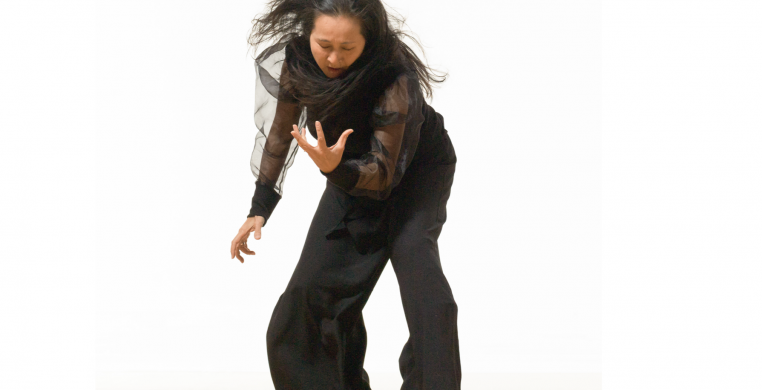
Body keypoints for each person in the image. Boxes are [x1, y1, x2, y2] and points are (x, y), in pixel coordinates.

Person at [229, 0, 460, 388]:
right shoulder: (298, 63)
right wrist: (260, 205)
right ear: (309, 35)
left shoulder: (393, 76)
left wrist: (333, 167)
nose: (333, 58)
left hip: (415, 176)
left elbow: (385, 175)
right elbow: (280, 133)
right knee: (306, 299)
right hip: (347, 174)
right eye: (324, 45)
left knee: (422, 283)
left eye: (347, 49)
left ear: (368, 42)